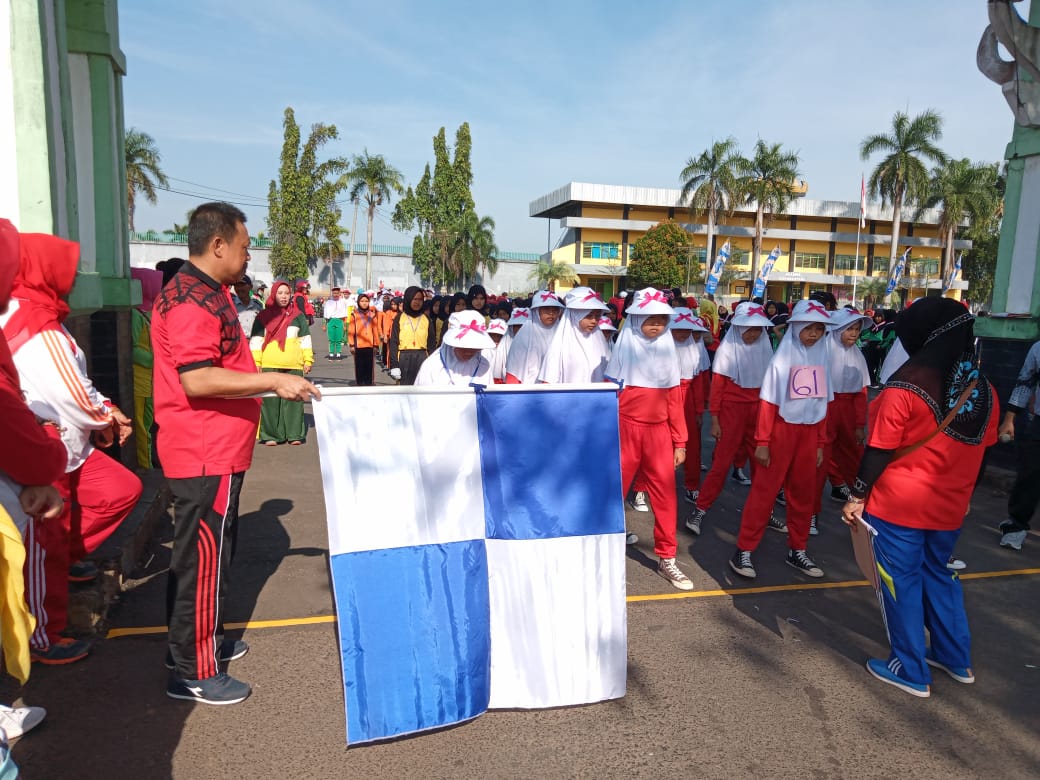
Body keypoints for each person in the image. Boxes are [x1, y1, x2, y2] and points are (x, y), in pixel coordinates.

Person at [152, 202, 320, 705]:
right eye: (245, 247)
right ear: (218, 244)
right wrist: (273, 379)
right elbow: (199, 378)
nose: (249, 257)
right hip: (203, 448)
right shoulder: (190, 300)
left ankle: (191, 645)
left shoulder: (209, 292)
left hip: (216, 447)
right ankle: (194, 671)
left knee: (207, 555)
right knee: (201, 559)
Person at [841, 297, 997, 698]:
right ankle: (954, 656)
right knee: (940, 575)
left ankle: (909, 667)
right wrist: (965, 497)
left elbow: (878, 450)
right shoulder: (985, 390)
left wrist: (857, 495)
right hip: (950, 507)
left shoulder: (903, 388)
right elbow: (983, 450)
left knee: (900, 583)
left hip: (898, 506)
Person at [0, 232, 143, 665]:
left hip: (63, 442)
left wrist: (98, 415)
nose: (74, 279)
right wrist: (105, 416)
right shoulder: (39, 327)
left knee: (119, 491)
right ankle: (44, 634)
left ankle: (61, 565)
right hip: (44, 447)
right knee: (47, 541)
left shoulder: (40, 313)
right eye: (68, 269)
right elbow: (70, 393)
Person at [0, 219, 66, 740]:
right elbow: (8, 408)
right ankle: (46, 634)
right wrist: (44, 464)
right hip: (35, 457)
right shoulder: (38, 325)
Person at [729, 300, 833, 580]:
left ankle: (797, 549)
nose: (814, 334)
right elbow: (768, 403)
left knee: (802, 495)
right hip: (780, 432)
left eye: (819, 329)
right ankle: (744, 549)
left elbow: (823, 403)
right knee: (764, 493)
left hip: (809, 435)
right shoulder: (781, 360)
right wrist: (762, 441)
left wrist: (821, 443)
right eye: (808, 328)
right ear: (796, 328)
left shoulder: (822, 358)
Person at [605, 288, 690, 590]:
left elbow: (674, 401)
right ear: (636, 319)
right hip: (625, 430)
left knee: (665, 496)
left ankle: (667, 557)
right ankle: (604, 550)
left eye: (661, 321)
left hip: (658, 435)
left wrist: (680, 442)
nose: (656, 326)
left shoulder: (669, 355)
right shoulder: (623, 350)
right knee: (613, 492)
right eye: (649, 320)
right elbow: (609, 398)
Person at [685, 302, 774, 535]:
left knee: (762, 465)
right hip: (731, 411)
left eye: (758, 329)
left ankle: (766, 512)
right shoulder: (727, 349)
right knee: (721, 463)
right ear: (737, 328)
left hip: (759, 411)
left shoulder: (766, 349)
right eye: (748, 328)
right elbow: (718, 388)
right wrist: (714, 419)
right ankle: (700, 508)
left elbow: (773, 388)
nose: (753, 333)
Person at [250, 281, 314, 445]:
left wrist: (307, 359)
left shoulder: (298, 316)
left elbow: (305, 339)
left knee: (294, 399)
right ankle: (271, 435)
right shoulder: (263, 316)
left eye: (286, 293)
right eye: (280, 293)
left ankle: (294, 434)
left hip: (294, 364)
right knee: (270, 401)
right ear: (273, 294)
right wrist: (256, 362)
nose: (284, 296)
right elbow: (257, 340)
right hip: (269, 363)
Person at [822, 309, 873, 504]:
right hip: (826, 406)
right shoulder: (822, 351)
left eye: (857, 329)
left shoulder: (857, 355)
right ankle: (835, 484)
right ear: (837, 329)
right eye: (849, 328)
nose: (854, 333)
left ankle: (858, 493)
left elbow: (861, 392)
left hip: (848, 409)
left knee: (853, 451)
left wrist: (860, 424)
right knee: (824, 450)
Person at [996, 338, 1040, 550]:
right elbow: (1025, 382)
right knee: (1030, 476)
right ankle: (1017, 527)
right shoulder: (1038, 348)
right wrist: (1009, 419)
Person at [670, 309, 711, 504]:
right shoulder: (661, 348)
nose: (684, 334)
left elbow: (698, 381)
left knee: (691, 444)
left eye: (688, 330)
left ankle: (692, 485)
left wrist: (699, 409)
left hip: (686, 399)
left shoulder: (694, 348)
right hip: (664, 397)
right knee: (660, 444)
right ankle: (649, 486)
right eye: (679, 329)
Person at [537, 286, 610, 384]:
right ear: (575, 316)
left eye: (597, 316)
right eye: (588, 316)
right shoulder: (560, 346)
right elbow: (549, 381)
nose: (594, 321)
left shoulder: (600, 343)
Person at [131, 267, 163, 469]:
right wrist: (157, 358)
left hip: (152, 380)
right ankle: (145, 465)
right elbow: (132, 348)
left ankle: (148, 460)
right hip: (139, 381)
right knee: (141, 426)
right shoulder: (135, 315)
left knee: (149, 424)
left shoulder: (151, 312)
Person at [415, 312, 495, 386]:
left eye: (475, 346)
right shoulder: (432, 366)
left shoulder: (484, 366)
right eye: (464, 346)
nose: (470, 351)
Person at [504, 290, 564, 383]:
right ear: (536, 311)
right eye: (546, 309)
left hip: (556, 391)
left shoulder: (562, 334)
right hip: (528, 391)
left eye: (555, 309)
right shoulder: (524, 336)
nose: (551, 313)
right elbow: (513, 370)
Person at [388, 286, 437, 385]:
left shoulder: (426, 318)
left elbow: (431, 344)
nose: (417, 302)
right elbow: (393, 342)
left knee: (421, 390)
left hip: (422, 357)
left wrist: (433, 364)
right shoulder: (399, 318)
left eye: (420, 299)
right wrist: (394, 365)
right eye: (414, 299)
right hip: (403, 358)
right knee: (404, 392)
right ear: (408, 299)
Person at [348, 292, 379, 386]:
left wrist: (376, 344)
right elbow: (351, 331)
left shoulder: (373, 314)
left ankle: (369, 384)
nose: (364, 303)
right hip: (358, 345)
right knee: (359, 367)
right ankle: (360, 384)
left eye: (366, 301)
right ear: (358, 302)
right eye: (362, 301)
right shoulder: (354, 315)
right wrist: (352, 344)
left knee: (369, 367)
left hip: (370, 345)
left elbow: (375, 330)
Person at [322, 286, 349, 360]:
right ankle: (331, 354)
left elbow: (345, 315)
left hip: (339, 321)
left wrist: (345, 325)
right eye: (334, 293)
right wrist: (324, 325)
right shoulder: (328, 302)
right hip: (331, 321)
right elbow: (325, 314)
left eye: (337, 293)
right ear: (332, 293)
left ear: (340, 293)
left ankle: (338, 354)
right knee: (331, 339)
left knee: (339, 339)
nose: (335, 294)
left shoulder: (343, 302)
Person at [485, 318, 509, 384]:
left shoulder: (509, 352)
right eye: (492, 335)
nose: (495, 339)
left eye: (499, 336)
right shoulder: (482, 352)